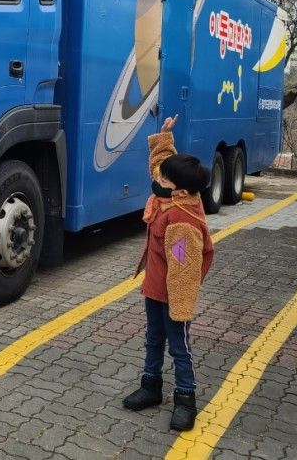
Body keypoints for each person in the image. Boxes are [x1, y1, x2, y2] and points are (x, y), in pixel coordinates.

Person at [122, 114, 214, 431]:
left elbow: (184, 270)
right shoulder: (171, 196)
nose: (156, 180)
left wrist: (180, 306)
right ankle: (151, 387)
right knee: (152, 340)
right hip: (154, 288)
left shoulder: (182, 221)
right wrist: (164, 137)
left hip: (173, 296)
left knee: (179, 347)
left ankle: (185, 399)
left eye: (164, 181)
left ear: (180, 190)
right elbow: (161, 165)